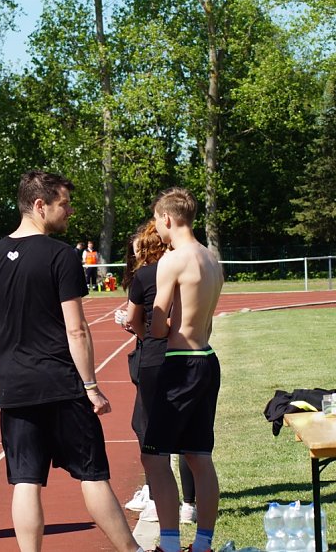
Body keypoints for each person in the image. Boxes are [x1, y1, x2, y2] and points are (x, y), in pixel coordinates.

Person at [0, 170, 146, 552]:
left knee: (24, 480)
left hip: (14, 385)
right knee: (92, 474)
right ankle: (131, 551)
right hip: (61, 383)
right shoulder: (61, 256)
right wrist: (91, 387)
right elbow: (77, 330)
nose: (69, 211)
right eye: (63, 204)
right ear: (40, 206)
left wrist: (5, 375)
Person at [141, 188, 223, 552]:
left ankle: (170, 544)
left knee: (154, 455)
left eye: (157, 221)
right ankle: (202, 544)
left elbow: (158, 326)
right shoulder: (211, 258)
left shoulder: (172, 260)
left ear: (168, 218)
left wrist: (143, 327)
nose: (156, 228)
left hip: (180, 363)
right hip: (206, 358)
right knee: (199, 455)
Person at [117, 221, 197, 525]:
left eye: (138, 247)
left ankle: (157, 498)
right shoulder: (194, 266)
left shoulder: (148, 274)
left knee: (149, 429)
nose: (134, 252)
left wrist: (144, 332)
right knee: (190, 437)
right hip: (192, 353)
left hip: (154, 356)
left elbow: (139, 320)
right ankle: (189, 504)